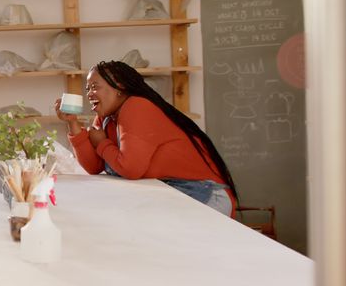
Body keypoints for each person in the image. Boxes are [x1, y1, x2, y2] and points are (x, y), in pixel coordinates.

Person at [54, 60, 238, 216]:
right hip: (170, 190)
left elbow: (131, 169)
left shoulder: (137, 107)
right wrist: (73, 124)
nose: (89, 94)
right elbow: (94, 167)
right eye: (87, 89)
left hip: (205, 193)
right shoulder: (106, 117)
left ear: (120, 86)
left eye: (95, 87)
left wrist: (101, 143)